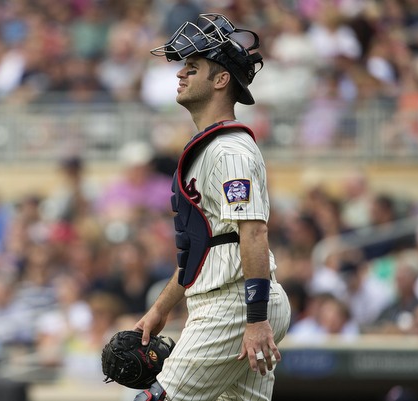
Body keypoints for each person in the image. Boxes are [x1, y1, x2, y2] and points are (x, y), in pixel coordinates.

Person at [131, 13, 291, 401]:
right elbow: (203, 248)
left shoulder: (230, 150)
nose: (180, 75)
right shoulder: (212, 147)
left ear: (221, 80)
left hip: (235, 304)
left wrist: (254, 322)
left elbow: (254, 232)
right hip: (231, 299)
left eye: (193, 67)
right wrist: (160, 310)